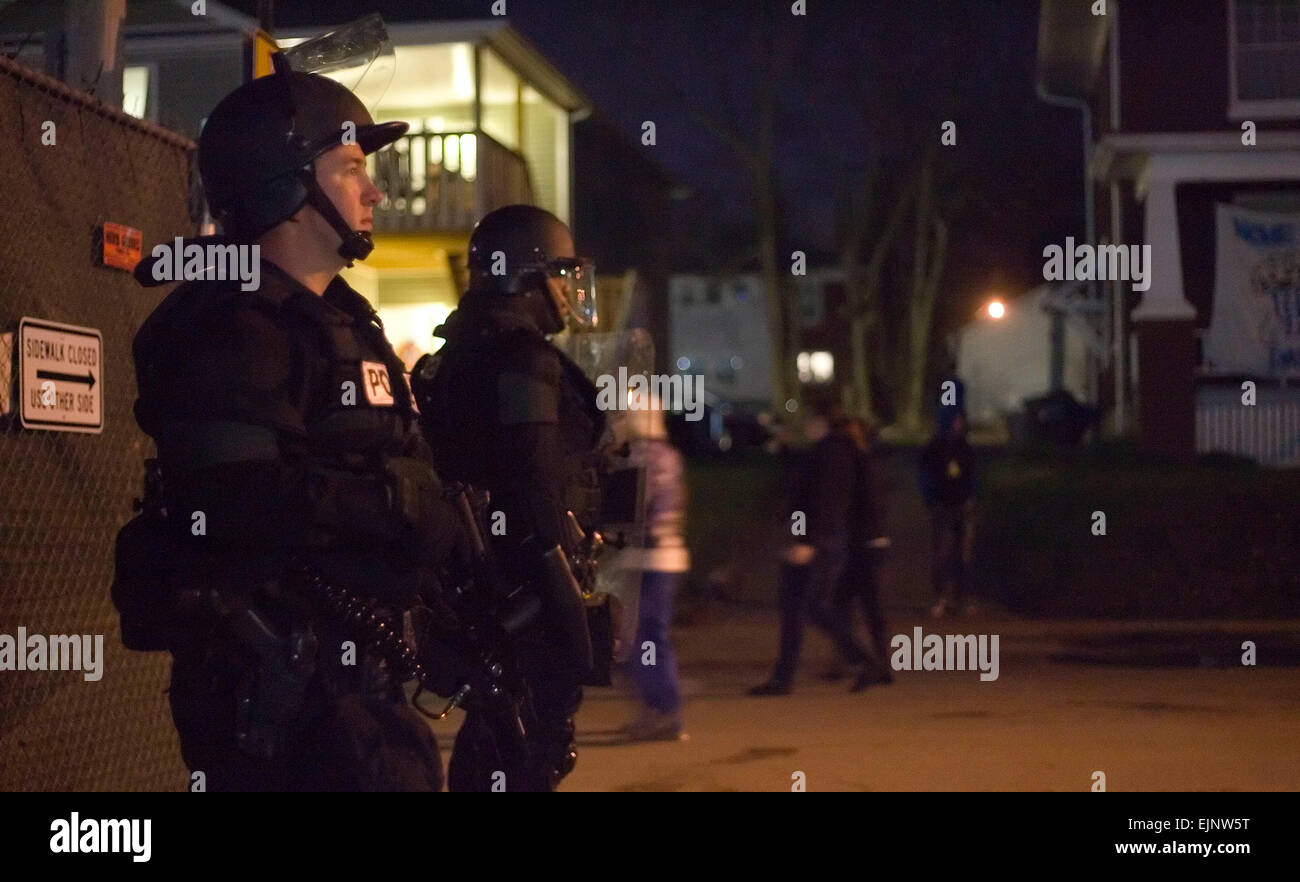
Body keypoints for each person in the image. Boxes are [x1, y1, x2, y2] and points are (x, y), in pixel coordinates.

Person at [112, 57, 466, 791]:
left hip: (359, 696)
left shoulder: (339, 322)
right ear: (288, 184)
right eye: (348, 168)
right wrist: (393, 504)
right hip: (286, 707)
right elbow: (235, 496)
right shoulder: (231, 327)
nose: (373, 190)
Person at [410, 204, 605, 791]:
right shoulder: (522, 360)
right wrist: (570, 615)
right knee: (526, 750)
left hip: (475, 592)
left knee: (495, 738)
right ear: (527, 276)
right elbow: (534, 490)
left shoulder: (459, 353)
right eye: (561, 274)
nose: (569, 292)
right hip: (525, 592)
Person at [750, 404, 876, 695]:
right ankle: (788, 677)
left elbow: (823, 504)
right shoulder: (826, 452)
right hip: (817, 539)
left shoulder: (831, 455)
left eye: (808, 419)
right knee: (805, 608)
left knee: (804, 607)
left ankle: (861, 661)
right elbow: (802, 495)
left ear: (820, 421)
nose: (804, 426)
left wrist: (806, 542)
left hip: (819, 542)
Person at [607, 394, 689, 741]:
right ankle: (657, 708)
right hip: (662, 557)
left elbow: (637, 507)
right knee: (644, 636)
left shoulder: (640, 456)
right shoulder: (667, 455)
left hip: (648, 560)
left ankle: (665, 708)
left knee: (642, 637)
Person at [831, 418, 893, 690]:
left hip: (865, 543)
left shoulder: (861, 464)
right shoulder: (869, 463)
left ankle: (868, 662)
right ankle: (867, 660)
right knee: (856, 604)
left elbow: (861, 504)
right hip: (868, 542)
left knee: (854, 603)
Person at [919, 403, 977, 618]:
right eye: (954, 419)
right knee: (941, 554)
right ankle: (940, 597)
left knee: (963, 555)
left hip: (963, 506)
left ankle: (961, 599)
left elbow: (973, 475)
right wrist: (931, 499)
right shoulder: (934, 446)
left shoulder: (965, 446)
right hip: (942, 506)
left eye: (960, 420)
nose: (957, 423)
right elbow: (925, 475)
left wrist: (972, 497)